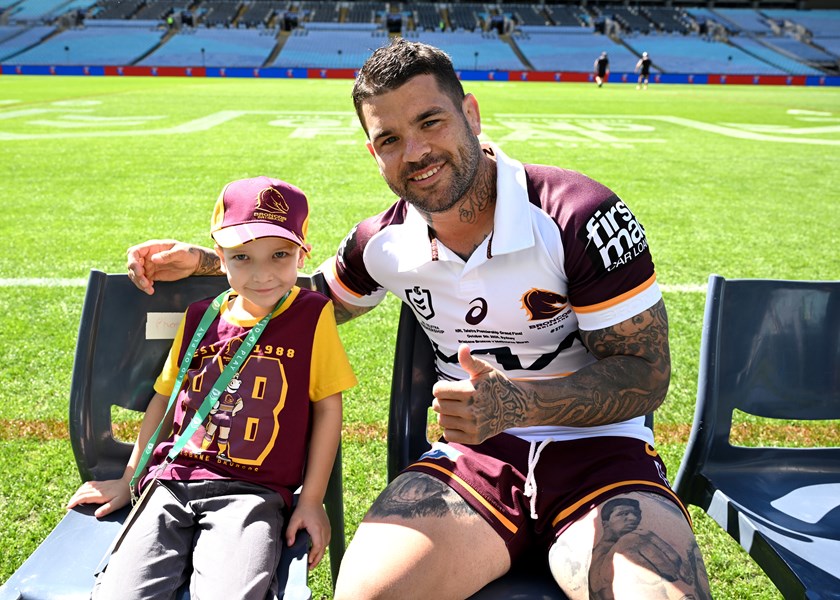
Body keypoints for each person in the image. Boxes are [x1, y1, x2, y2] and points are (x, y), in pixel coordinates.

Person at [125, 38, 711, 600]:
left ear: (471, 113)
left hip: (601, 459)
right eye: (389, 139)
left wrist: (520, 403)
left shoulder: (578, 213)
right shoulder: (381, 243)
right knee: (365, 594)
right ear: (373, 152)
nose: (416, 153)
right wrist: (208, 260)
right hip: (473, 460)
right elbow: (303, 300)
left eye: (431, 122)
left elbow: (645, 375)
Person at [69, 176, 357, 599]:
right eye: (243, 257)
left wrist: (311, 499)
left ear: (302, 253)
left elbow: (329, 410)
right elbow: (164, 401)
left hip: (252, 495)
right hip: (170, 482)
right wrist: (131, 476)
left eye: (279, 254)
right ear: (220, 258)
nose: (262, 274)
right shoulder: (199, 315)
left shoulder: (313, 316)